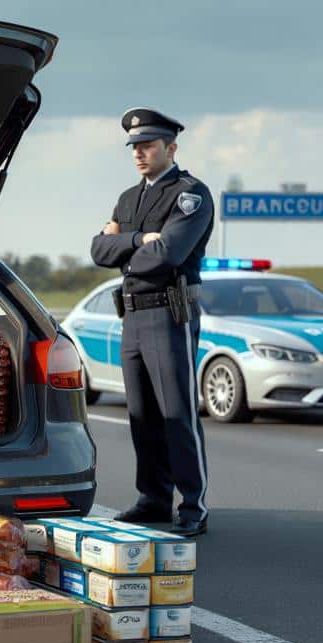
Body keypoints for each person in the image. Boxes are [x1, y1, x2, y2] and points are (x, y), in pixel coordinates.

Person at [89, 108, 213, 537]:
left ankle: (193, 504)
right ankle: (154, 498)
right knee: (141, 414)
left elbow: (167, 256)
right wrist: (139, 239)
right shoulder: (128, 198)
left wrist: (120, 244)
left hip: (168, 313)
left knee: (177, 413)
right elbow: (97, 252)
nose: (140, 153)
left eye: (149, 146)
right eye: (135, 147)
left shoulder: (190, 195)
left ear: (171, 148)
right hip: (133, 316)